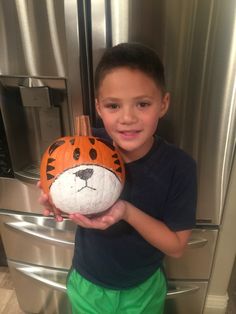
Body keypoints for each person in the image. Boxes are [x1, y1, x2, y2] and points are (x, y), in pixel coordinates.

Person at [39, 42, 197, 314]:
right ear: (99, 108)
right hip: (88, 283)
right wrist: (54, 198)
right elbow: (57, 187)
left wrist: (126, 212)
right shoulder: (85, 148)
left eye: (142, 104)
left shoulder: (179, 167)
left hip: (143, 289)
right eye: (113, 105)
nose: (127, 118)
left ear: (163, 104)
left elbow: (177, 246)